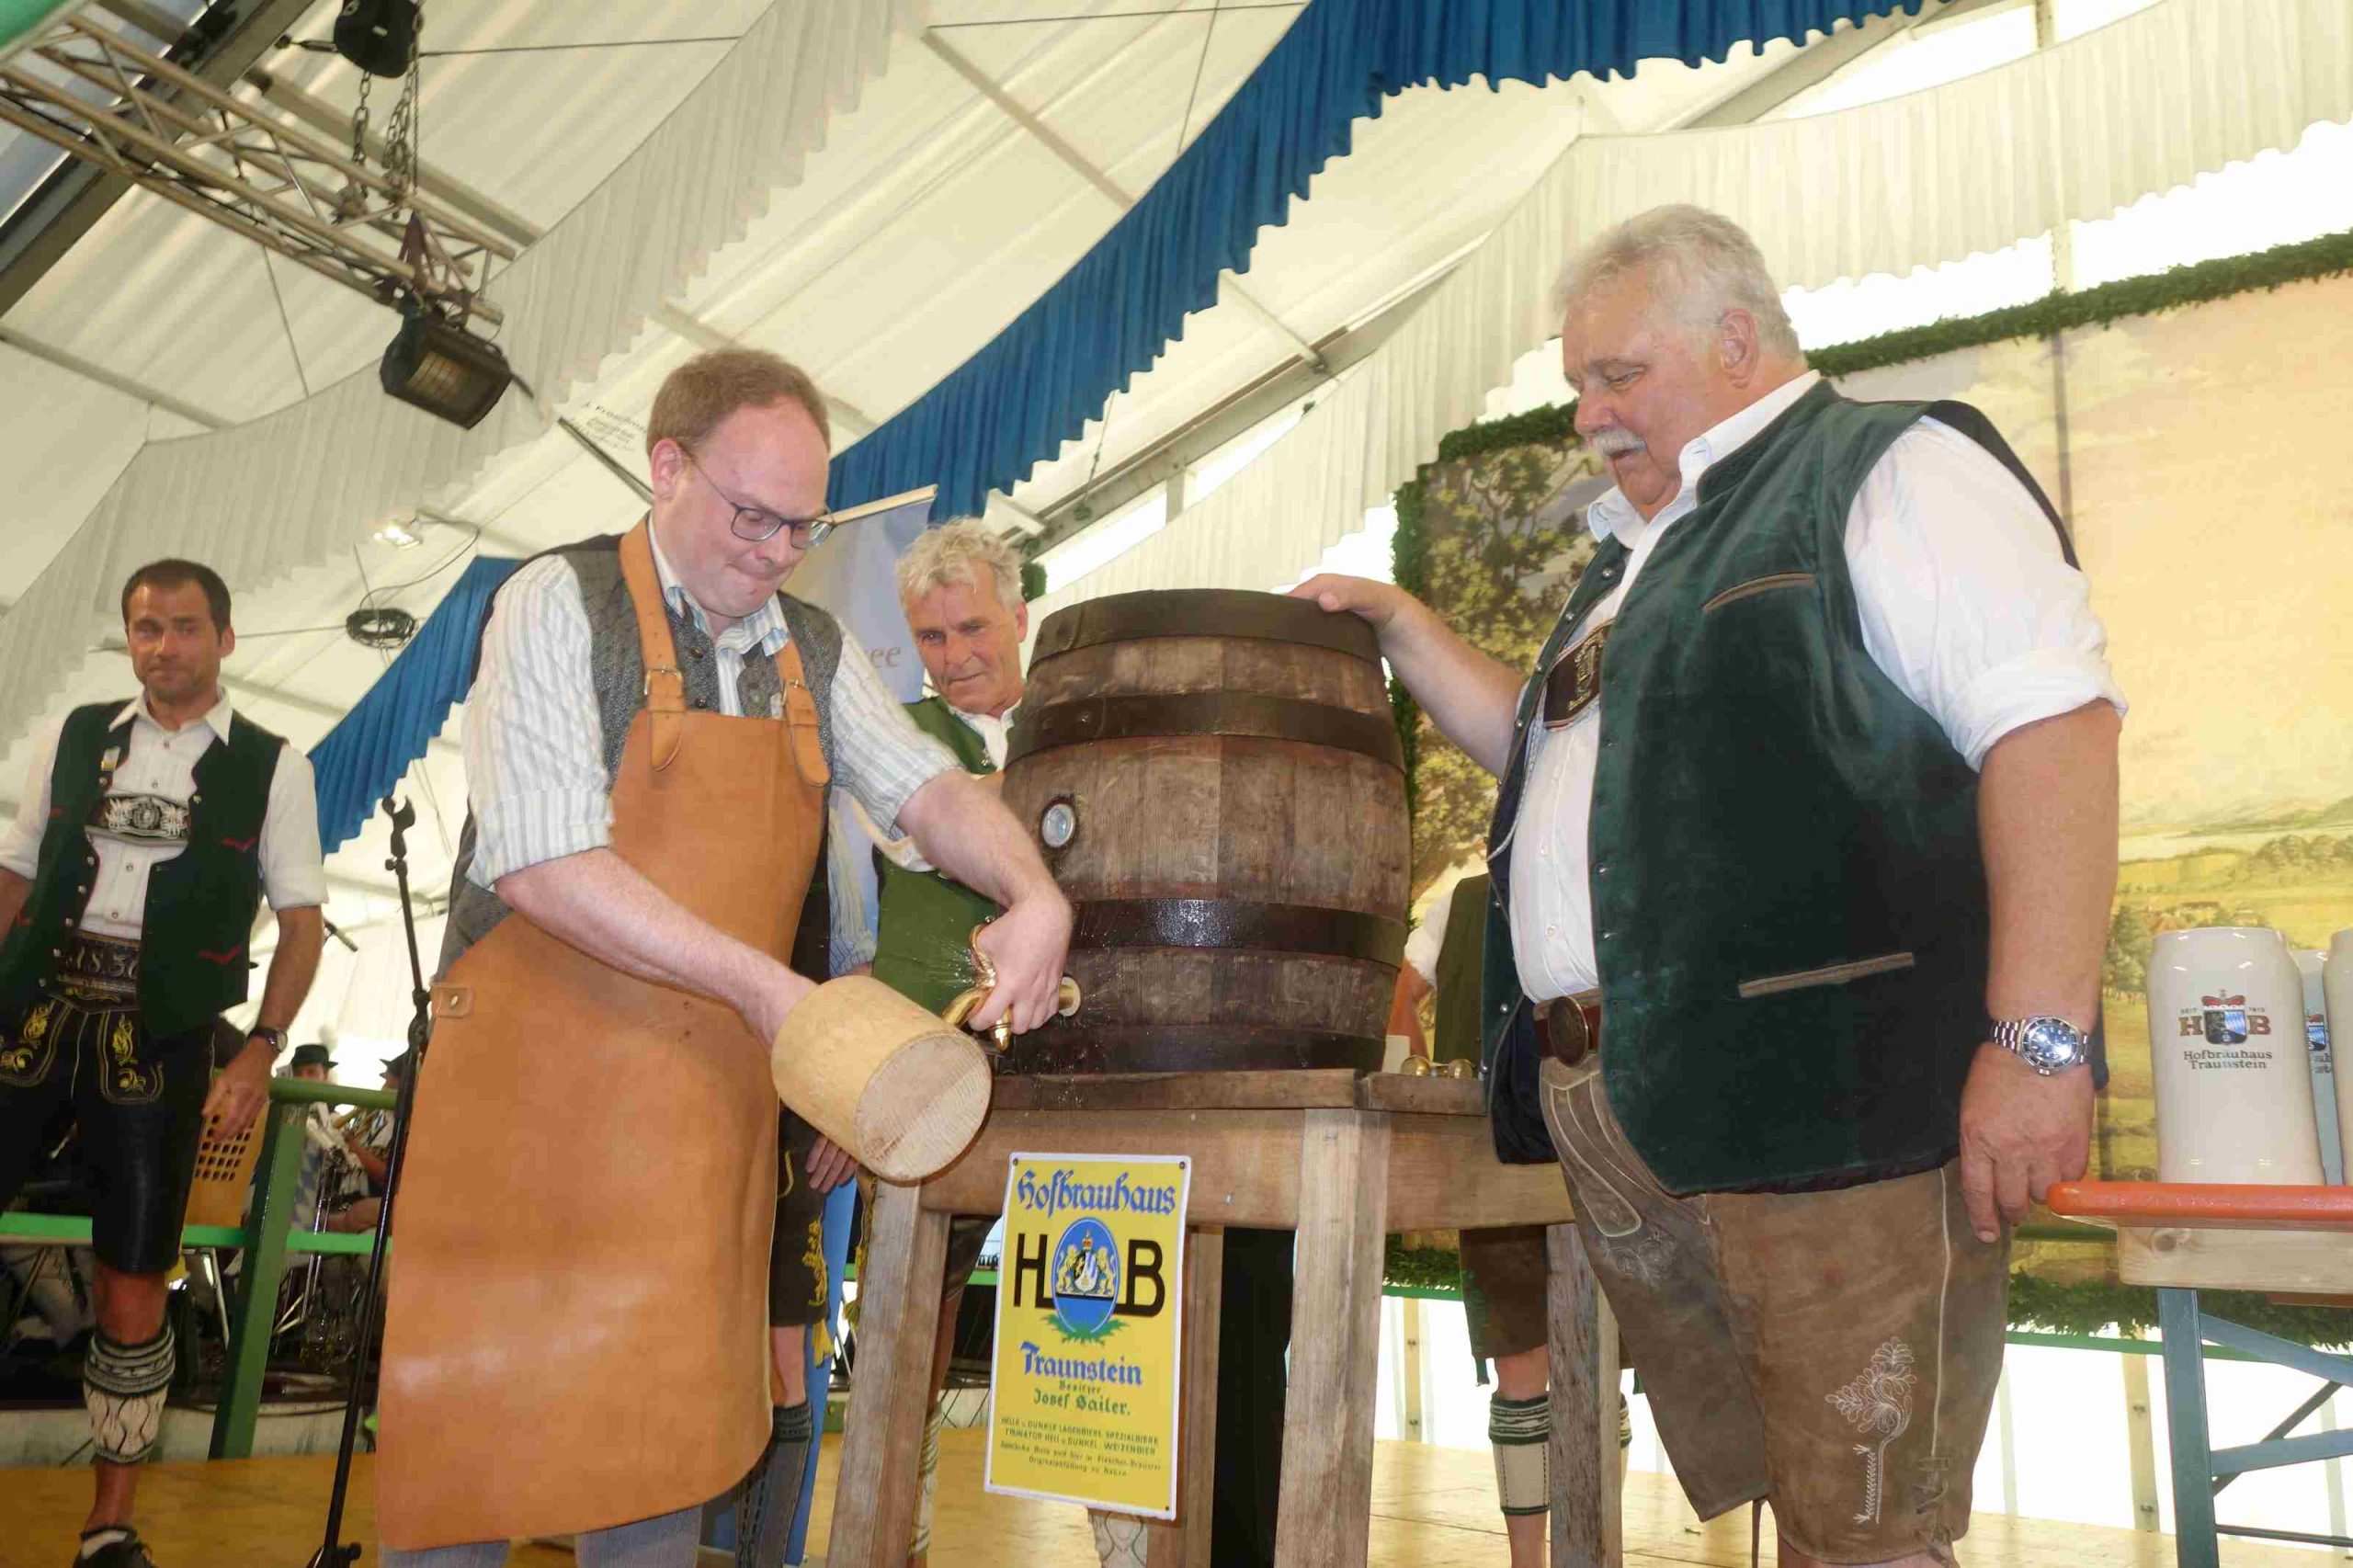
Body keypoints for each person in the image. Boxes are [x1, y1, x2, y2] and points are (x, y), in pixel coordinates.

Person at [1296, 205, 2123, 1568]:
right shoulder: (1644, 553)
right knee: (1812, 1510)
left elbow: (2053, 731)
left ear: (1737, 342)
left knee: (1869, 1528)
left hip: (1834, 1109)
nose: (1589, 415)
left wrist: (2039, 1043)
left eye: (1618, 375)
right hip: (1661, 1114)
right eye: (1579, 384)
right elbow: (1555, 768)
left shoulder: (1885, 468)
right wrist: (1406, 627)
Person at [375, 347, 1073, 1568]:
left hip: (694, 1131)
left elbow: (928, 790)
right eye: (753, 515)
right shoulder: (555, 602)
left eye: (803, 526)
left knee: (659, 1467)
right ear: (667, 468)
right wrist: (768, 987)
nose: (776, 551)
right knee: (466, 1472)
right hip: (522, 1118)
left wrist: (1035, 891)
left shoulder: (812, 650)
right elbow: (542, 861)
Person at [858, 520, 1291, 1568]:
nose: (955, 654)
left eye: (972, 627)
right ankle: (897, 1533)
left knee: (1100, 1310)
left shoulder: (1086, 712)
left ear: (1020, 617)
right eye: (931, 636)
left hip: (1089, 1061)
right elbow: (933, 834)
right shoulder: (898, 744)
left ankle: (1126, 1549)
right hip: (938, 1061)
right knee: (910, 1321)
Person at [0, 558, 327, 1568]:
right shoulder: (72, 733)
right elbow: (14, 872)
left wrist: (262, 1047)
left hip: (163, 1031)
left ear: (224, 639)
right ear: (129, 637)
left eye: (185, 627)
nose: (164, 645)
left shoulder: (275, 765)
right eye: (147, 627)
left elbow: (303, 921)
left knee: (134, 1275)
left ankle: (108, 1523)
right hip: (33, 1008)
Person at [1392, 871, 1556, 1567]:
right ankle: (1532, 1561)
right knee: (1529, 1365)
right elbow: (1399, 1001)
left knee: (1584, 1363)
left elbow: (1400, 1001)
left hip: (1583, 1154)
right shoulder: (1459, 904)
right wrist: (1429, 1096)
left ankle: (1567, 1552)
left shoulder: (1462, 903)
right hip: (1495, 1157)